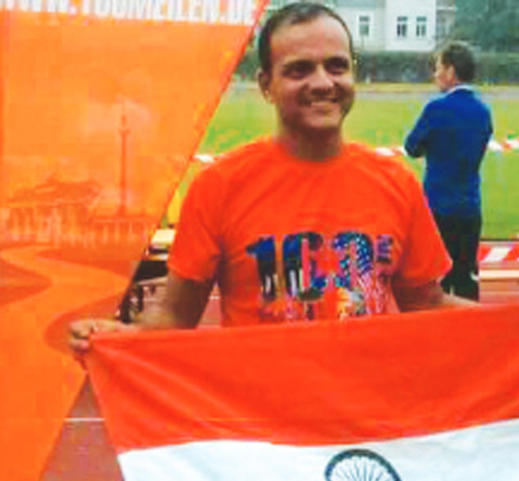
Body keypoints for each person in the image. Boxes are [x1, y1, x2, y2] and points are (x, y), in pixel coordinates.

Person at [70, 2, 473, 352]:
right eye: (299, 70)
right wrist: (121, 337)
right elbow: (176, 315)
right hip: (261, 415)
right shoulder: (220, 187)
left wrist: (512, 324)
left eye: (336, 66)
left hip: (364, 412)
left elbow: (427, 303)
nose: (323, 82)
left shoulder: (396, 183)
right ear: (266, 85)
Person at [404, 41, 493, 301]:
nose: (435, 75)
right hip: (469, 205)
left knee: (436, 284)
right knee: (466, 279)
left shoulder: (437, 108)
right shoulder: (483, 111)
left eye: (438, 68)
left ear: (451, 71)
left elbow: (412, 146)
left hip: (437, 205)